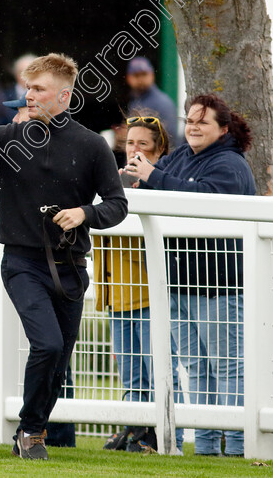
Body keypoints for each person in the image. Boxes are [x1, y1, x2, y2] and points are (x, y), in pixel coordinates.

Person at [0, 53, 128, 460]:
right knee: (48, 345)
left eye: (38, 89)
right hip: (22, 263)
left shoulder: (92, 145)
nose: (29, 96)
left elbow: (117, 204)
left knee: (59, 359)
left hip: (71, 267)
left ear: (63, 95)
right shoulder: (8, 136)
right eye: (27, 88)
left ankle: (32, 428)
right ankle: (32, 432)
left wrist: (85, 213)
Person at [124, 93, 255, 457]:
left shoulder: (230, 164)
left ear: (223, 129)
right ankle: (209, 447)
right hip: (178, 283)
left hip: (218, 287)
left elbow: (204, 199)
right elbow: (161, 187)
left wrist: (153, 176)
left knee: (228, 369)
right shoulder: (182, 156)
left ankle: (237, 447)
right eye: (190, 121)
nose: (194, 127)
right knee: (195, 369)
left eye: (203, 122)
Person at [95, 113, 184, 453]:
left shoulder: (164, 180)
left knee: (158, 368)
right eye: (130, 143)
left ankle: (165, 437)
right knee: (132, 372)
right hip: (116, 288)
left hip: (150, 290)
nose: (134, 150)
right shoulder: (113, 178)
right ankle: (135, 431)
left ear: (159, 150)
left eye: (143, 144)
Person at [125, 57, 179, 143]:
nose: (140, 79)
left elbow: (169, 139)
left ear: (152, 75)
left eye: (144, 74)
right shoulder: (135, 100)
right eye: (136, 75)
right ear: (128, 78)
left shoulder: (162, 102)